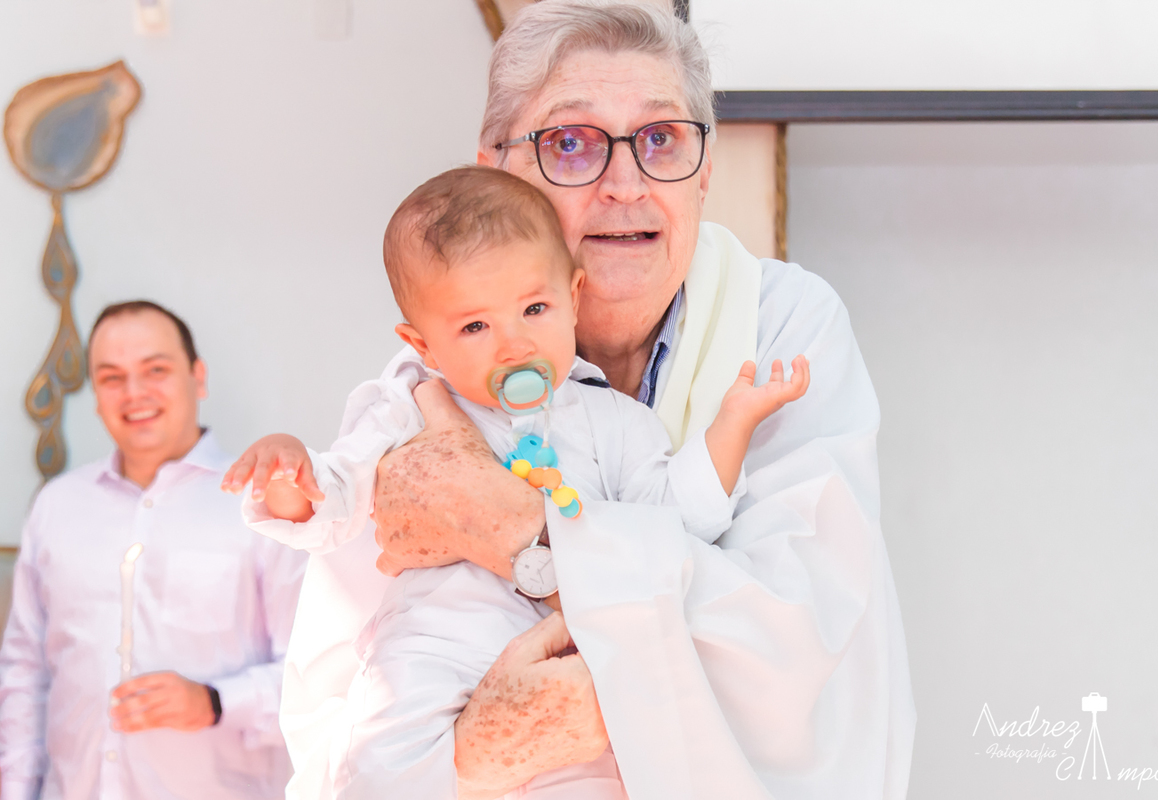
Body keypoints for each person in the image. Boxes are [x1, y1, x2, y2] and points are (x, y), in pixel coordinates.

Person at [279, 2, 917, 798]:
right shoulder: (444, 381)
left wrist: (519, 534)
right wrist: (469, 757)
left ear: (704, 169)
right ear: (497, 171)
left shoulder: (780, 327)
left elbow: (800, 641)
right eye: (572, 143)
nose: (626, 184)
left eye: (661, 140)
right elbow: (337, 684)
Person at [222, 165, 809, 798]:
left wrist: (733, 424)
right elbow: (340, 495)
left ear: (573, 295)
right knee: (375, 762)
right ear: (422, 342)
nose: (514, 344)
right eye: (475, 327)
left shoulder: (615, 421)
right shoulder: (407, 405)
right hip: (437, 641)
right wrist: (291, 474)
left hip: (565, 653)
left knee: (604, 771)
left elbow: (678, 520)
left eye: (535, 308)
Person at [0, 301, 309, 800]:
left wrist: (215, 702)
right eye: (111, 377)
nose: (135, 393)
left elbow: (317, 676)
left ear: (198, 377)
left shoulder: (264, 504)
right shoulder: (56, 506)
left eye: (156, 370)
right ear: (96, 394)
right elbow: (24, 673)